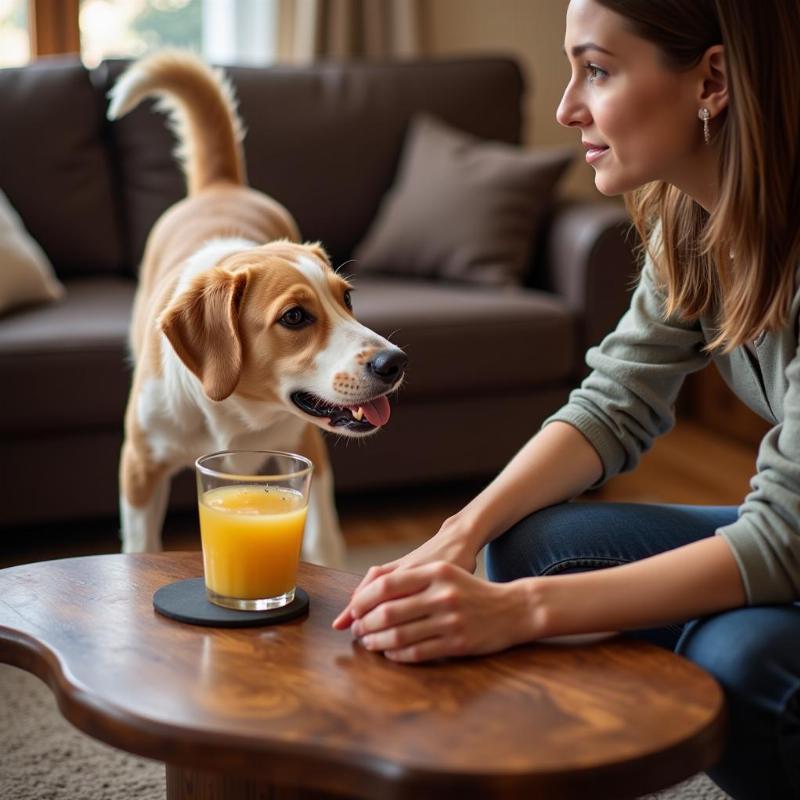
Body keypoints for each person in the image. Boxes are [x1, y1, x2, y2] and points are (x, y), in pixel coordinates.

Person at [332, 1, 800, 797]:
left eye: (598, 69)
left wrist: (519, 615)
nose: (565, 107)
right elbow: (615, 399)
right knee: (525, 549)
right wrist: (460, 531)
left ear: (712, 80)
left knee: (739, 663)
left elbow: (784, 540)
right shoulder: (695, 218)